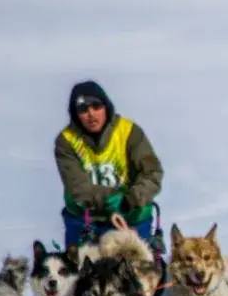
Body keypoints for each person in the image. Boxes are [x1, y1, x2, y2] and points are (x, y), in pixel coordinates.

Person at [54, 80, 164, 247]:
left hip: (131, 215)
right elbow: (78, 187)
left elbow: (152, 173)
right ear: (75, 114)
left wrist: (130, 199)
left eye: (96, 106)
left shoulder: (129, 132)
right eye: (83, 110)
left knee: (140, 269)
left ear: (106, 106)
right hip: (87, 219)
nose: (91, 114)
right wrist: (113, 200)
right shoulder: (66, 141)